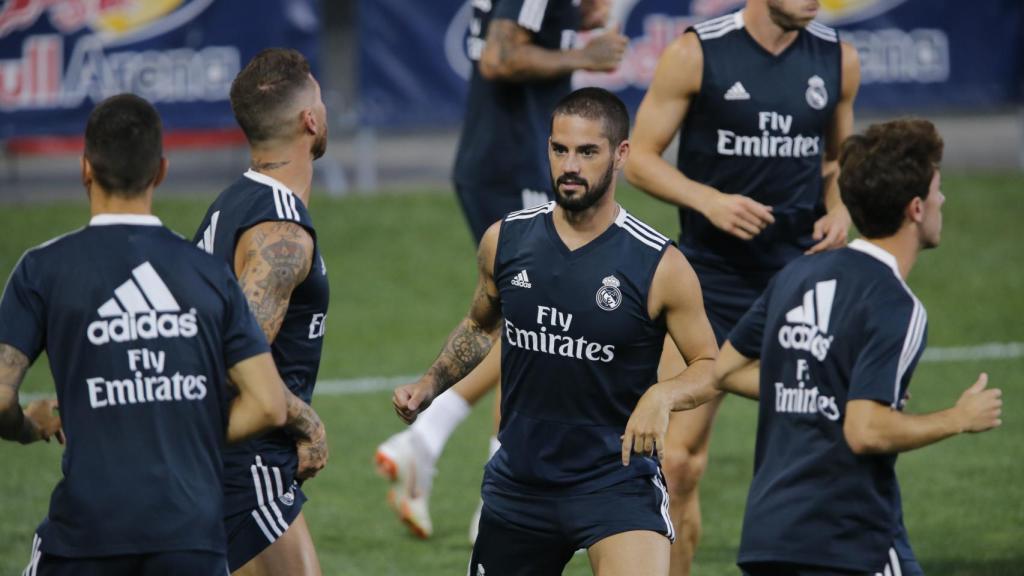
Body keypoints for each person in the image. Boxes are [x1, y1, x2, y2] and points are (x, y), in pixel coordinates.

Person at [393, 87, 719, 576]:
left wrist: (663, 395)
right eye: (560, 149)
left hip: (616, 483)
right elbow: (480, 325)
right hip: (520, 485)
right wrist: (430, 384)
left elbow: (710, 366)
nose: (570, 165)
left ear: (620, 155)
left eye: (587, 152)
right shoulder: (506, 240)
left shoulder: (659, 264)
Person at [660, 118, 1003, 576]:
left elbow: (724, 369)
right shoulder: (896, 304)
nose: (944, 201)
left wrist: (819, 387)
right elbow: (865, 431)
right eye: (938, 191)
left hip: (769, 537)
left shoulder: (797, 275)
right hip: (849, 540)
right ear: (916, 208)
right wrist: (958, 418)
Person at [1, 93, 288, 575]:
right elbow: (268, 404)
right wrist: (182, 429)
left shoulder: (42, 269)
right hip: (191, 537)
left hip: (86, 537)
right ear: (161, 171)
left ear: (85, 168)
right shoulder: (207, 274)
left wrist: (29, 426)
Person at [376, 0, 629, 540]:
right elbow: (499, 56)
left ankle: (431, 444)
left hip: (505, 157)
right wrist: (585, 55)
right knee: (536, 322)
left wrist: (573, 21)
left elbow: (519, 29)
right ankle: (493, 492)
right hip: (513, 161)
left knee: (530, 322)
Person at [622, 1, 861, 572]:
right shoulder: (696, 53)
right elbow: (639, 159)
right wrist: (708, 200)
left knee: (827, 456)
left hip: (800, 284)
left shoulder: (838, 59)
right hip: (710, 284)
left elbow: (837, 162)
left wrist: (840, 207)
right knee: (675, 463)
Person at [193, 48, 330, 575]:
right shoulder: (282, 233)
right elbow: (237, 359)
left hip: (218, 450)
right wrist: (309, 424)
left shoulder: (233, 202)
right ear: (310, 120)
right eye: (321, 100)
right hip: (247, 461)